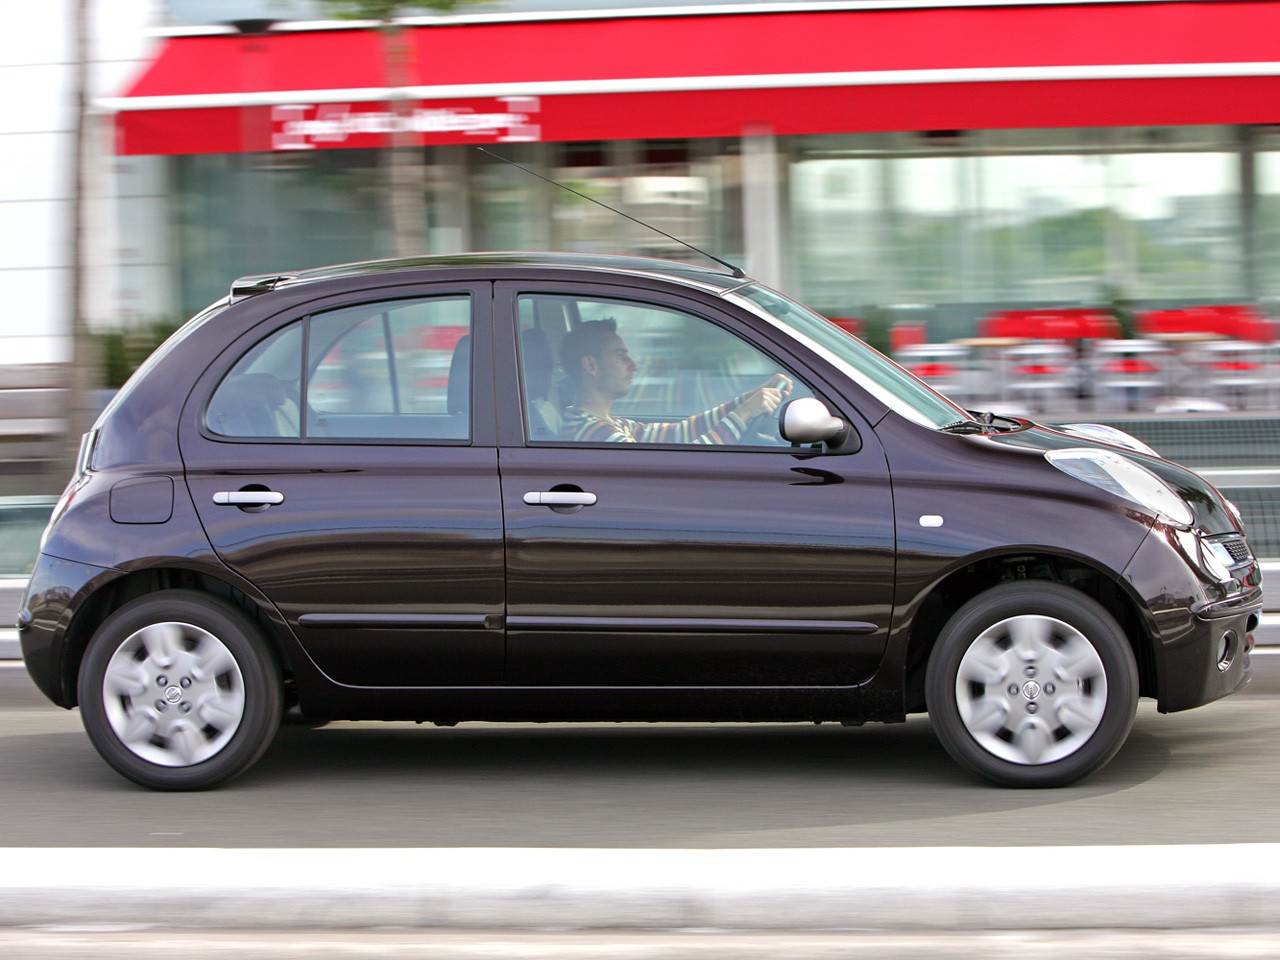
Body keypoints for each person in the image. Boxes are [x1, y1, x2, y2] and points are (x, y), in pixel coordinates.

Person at [558, 318, 792, 444]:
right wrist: (742, 415)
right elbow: (691, 465)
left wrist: (748, 400)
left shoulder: (608, 424)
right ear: (591, 366)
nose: (634, 365)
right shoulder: (595, 432)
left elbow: (680, 432)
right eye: (621, 357)